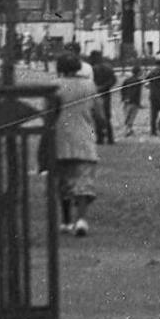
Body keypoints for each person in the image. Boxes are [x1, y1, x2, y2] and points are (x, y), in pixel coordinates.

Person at [53, 52, 99, 236]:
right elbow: (99, 112)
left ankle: (65, 221)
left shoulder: (55, 86)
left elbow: (49, 113)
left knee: (64, 181)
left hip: (61, 137)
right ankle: (81, 220)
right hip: (85, 137)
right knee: (84, 181)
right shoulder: (90, 85)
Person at [88, 51, 117, 144]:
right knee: (107, 116)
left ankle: (100, 138)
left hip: (95, 94)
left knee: (97, 116)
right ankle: (110, 138)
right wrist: (105, 87)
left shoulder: (92, 69)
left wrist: (97, 88)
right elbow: (113, 80)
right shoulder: (108, 67)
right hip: (106, 94)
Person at [119, 63, 143, 136]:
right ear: (138, 72)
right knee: (131, 117)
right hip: (134, 102)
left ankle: (128, 130)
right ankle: (127, 131)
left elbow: (122, 90)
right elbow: (136, 93)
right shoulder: (138, 81)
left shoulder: (126, 80)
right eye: (140, 71)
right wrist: (138, 103)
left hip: (126, 102)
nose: (142, 72)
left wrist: (124, 98)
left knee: (127, 116)